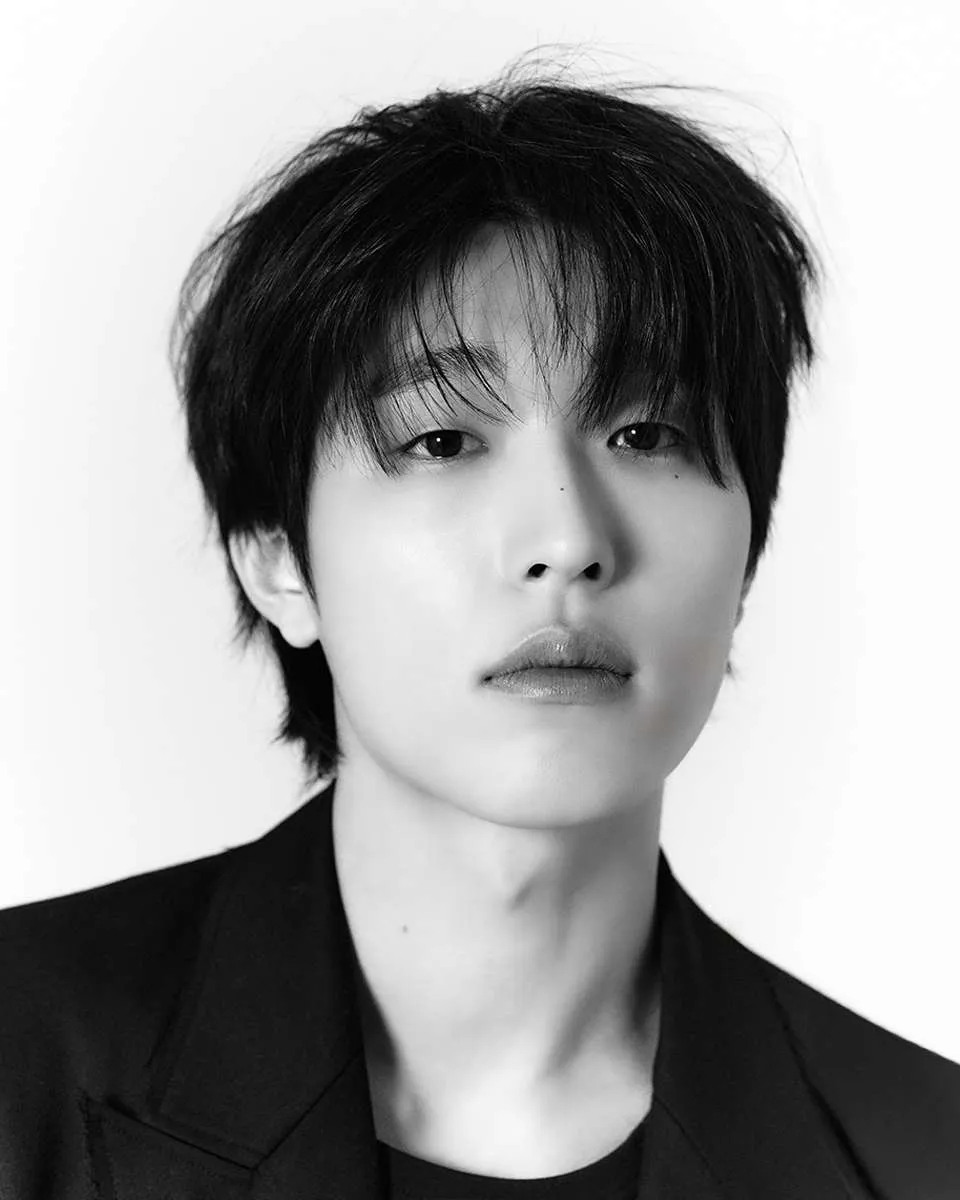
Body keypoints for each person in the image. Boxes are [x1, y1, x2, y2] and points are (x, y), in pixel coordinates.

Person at [1, 64, 958, 1200]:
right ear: (276, 555)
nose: (568, 539)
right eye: (443, 441)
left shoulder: (922, 1156)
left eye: (647, 433)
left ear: (748, 547)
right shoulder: (22, 1063)